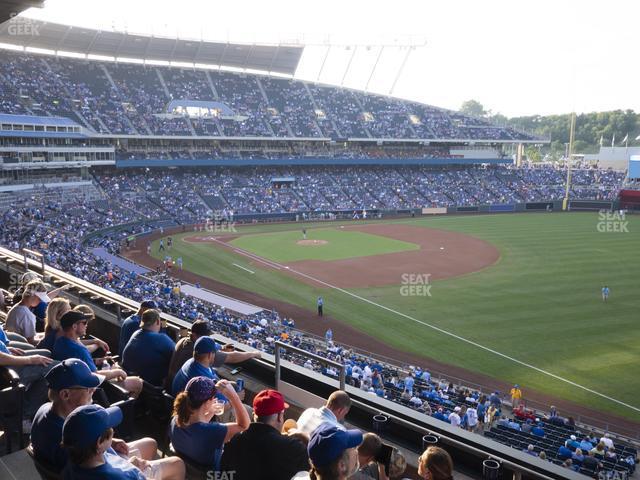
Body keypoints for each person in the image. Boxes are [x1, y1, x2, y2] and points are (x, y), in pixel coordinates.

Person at [61, 404, 185, 480]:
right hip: (128, 472)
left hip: (120, 466)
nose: (113, 431)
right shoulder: (126, 476)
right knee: (177, 463)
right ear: (99, 443)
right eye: (111, 429)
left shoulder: (71, 461)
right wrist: (133, 469)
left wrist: (127, 464)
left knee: (150, 443)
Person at [220, 389, 310, 480]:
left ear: (254, 415)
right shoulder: (293, 447)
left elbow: (223, 472)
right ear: (279, 416)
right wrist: (304, 438)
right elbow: (317, 468)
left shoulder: (234, 439)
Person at [52, 310, 142, 397]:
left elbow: (79, 364)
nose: (87, 325)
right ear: (74, 326)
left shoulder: (59, 342)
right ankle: (126, 407)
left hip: (69, 384)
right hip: (90, 390)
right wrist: (117, 372)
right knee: (138, 382)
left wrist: (96, 361)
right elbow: (94, 376)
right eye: (84, 322)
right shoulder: (79, 350)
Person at [170, 376, 250, 470]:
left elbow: (198, 430)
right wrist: (234, 397)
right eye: (213, 397)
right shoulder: (214, 431)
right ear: (207, 402)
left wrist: (209, 412)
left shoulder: (175, 420)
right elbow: (244, 425)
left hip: (185, 470)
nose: (214, 399)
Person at [171, 336, 260, 395]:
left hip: (180, 403)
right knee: (247, 410)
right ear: (210, 355)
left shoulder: (193, 361)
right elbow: (221, 403)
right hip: (194, 415)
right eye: (215, 352)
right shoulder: (205, 380)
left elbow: (214, 347)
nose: (217, 353)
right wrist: (237, 397)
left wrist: (222, 347)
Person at [0, 324, 54, 422]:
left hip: (5, 365)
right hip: (5, 373)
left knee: (48, 357)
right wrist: (30, 360)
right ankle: (24, 417)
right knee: (51, 370)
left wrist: (5, 350)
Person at [122, 309, 175, 386]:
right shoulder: (160, 338)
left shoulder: (136, 333)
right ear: (157, 322)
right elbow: (176, 351)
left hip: (128, 377)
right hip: (147, 385)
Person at [5, 280, 48, 346]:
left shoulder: (16, 308)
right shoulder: (27, 315)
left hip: (11, 341)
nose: (40, 302)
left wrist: (45, 335)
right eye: (40, 299)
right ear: (33, 296)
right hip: (19, 347)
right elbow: (31, 341)